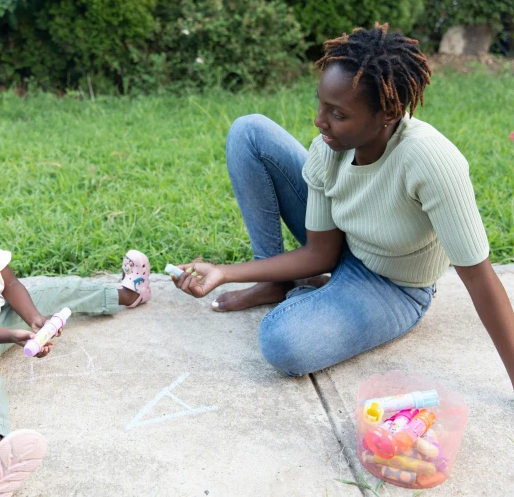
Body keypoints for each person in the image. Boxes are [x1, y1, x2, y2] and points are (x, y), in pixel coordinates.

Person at [171, 23, 514, 390]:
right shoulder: (328, 146)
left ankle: (317, 293)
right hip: (342, 245)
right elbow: (321, 252)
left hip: (393, 286)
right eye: (321, 104)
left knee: (282, 341)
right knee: (249, 132)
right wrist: (224, 271)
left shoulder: (430, 161)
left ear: (387, 113)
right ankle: (276, 282)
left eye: (338, 113)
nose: (320, 121)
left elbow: (479, 277)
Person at [0, 150, 151, 496]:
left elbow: (11, 283)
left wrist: (34, 319)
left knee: (51, 289)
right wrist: (12, 335)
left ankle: (128, 294)